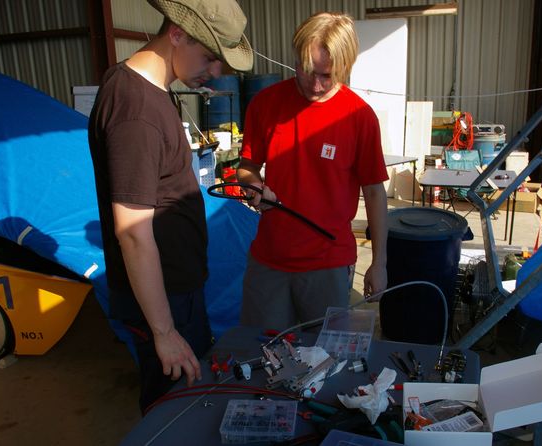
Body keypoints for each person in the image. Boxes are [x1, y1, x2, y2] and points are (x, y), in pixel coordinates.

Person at [88, 0, 253, 414]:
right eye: (211, 58)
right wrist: (163, 332)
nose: (215, 72)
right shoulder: (135, 110)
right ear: (177, 34)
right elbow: (133, 234)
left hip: (178, 291)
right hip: (165, 305)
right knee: (172, 410)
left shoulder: (152, 90)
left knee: (187, 399)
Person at [237, 12, 388, 331]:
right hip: (269, 262)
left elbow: (374, 192)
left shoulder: (359, 117)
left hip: (328, 265)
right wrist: (253, 188)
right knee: (262, 355)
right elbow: (247, 168)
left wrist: (379, 262)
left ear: (344, 69)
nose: (314, 84)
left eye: (326, 75)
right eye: (306, 71)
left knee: (323, 363)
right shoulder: (265, 104)